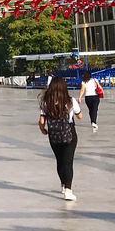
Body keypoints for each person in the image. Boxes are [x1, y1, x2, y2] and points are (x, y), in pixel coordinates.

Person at [38, 73, 81, 201]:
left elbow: (41, 121)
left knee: (60, 160)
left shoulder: (46, 102)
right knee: (68, 161)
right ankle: (68, 189)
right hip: (69, 134)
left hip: (54, 135)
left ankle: (63, 183)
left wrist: (43, 130)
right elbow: (79, 116)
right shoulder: (70, 101)